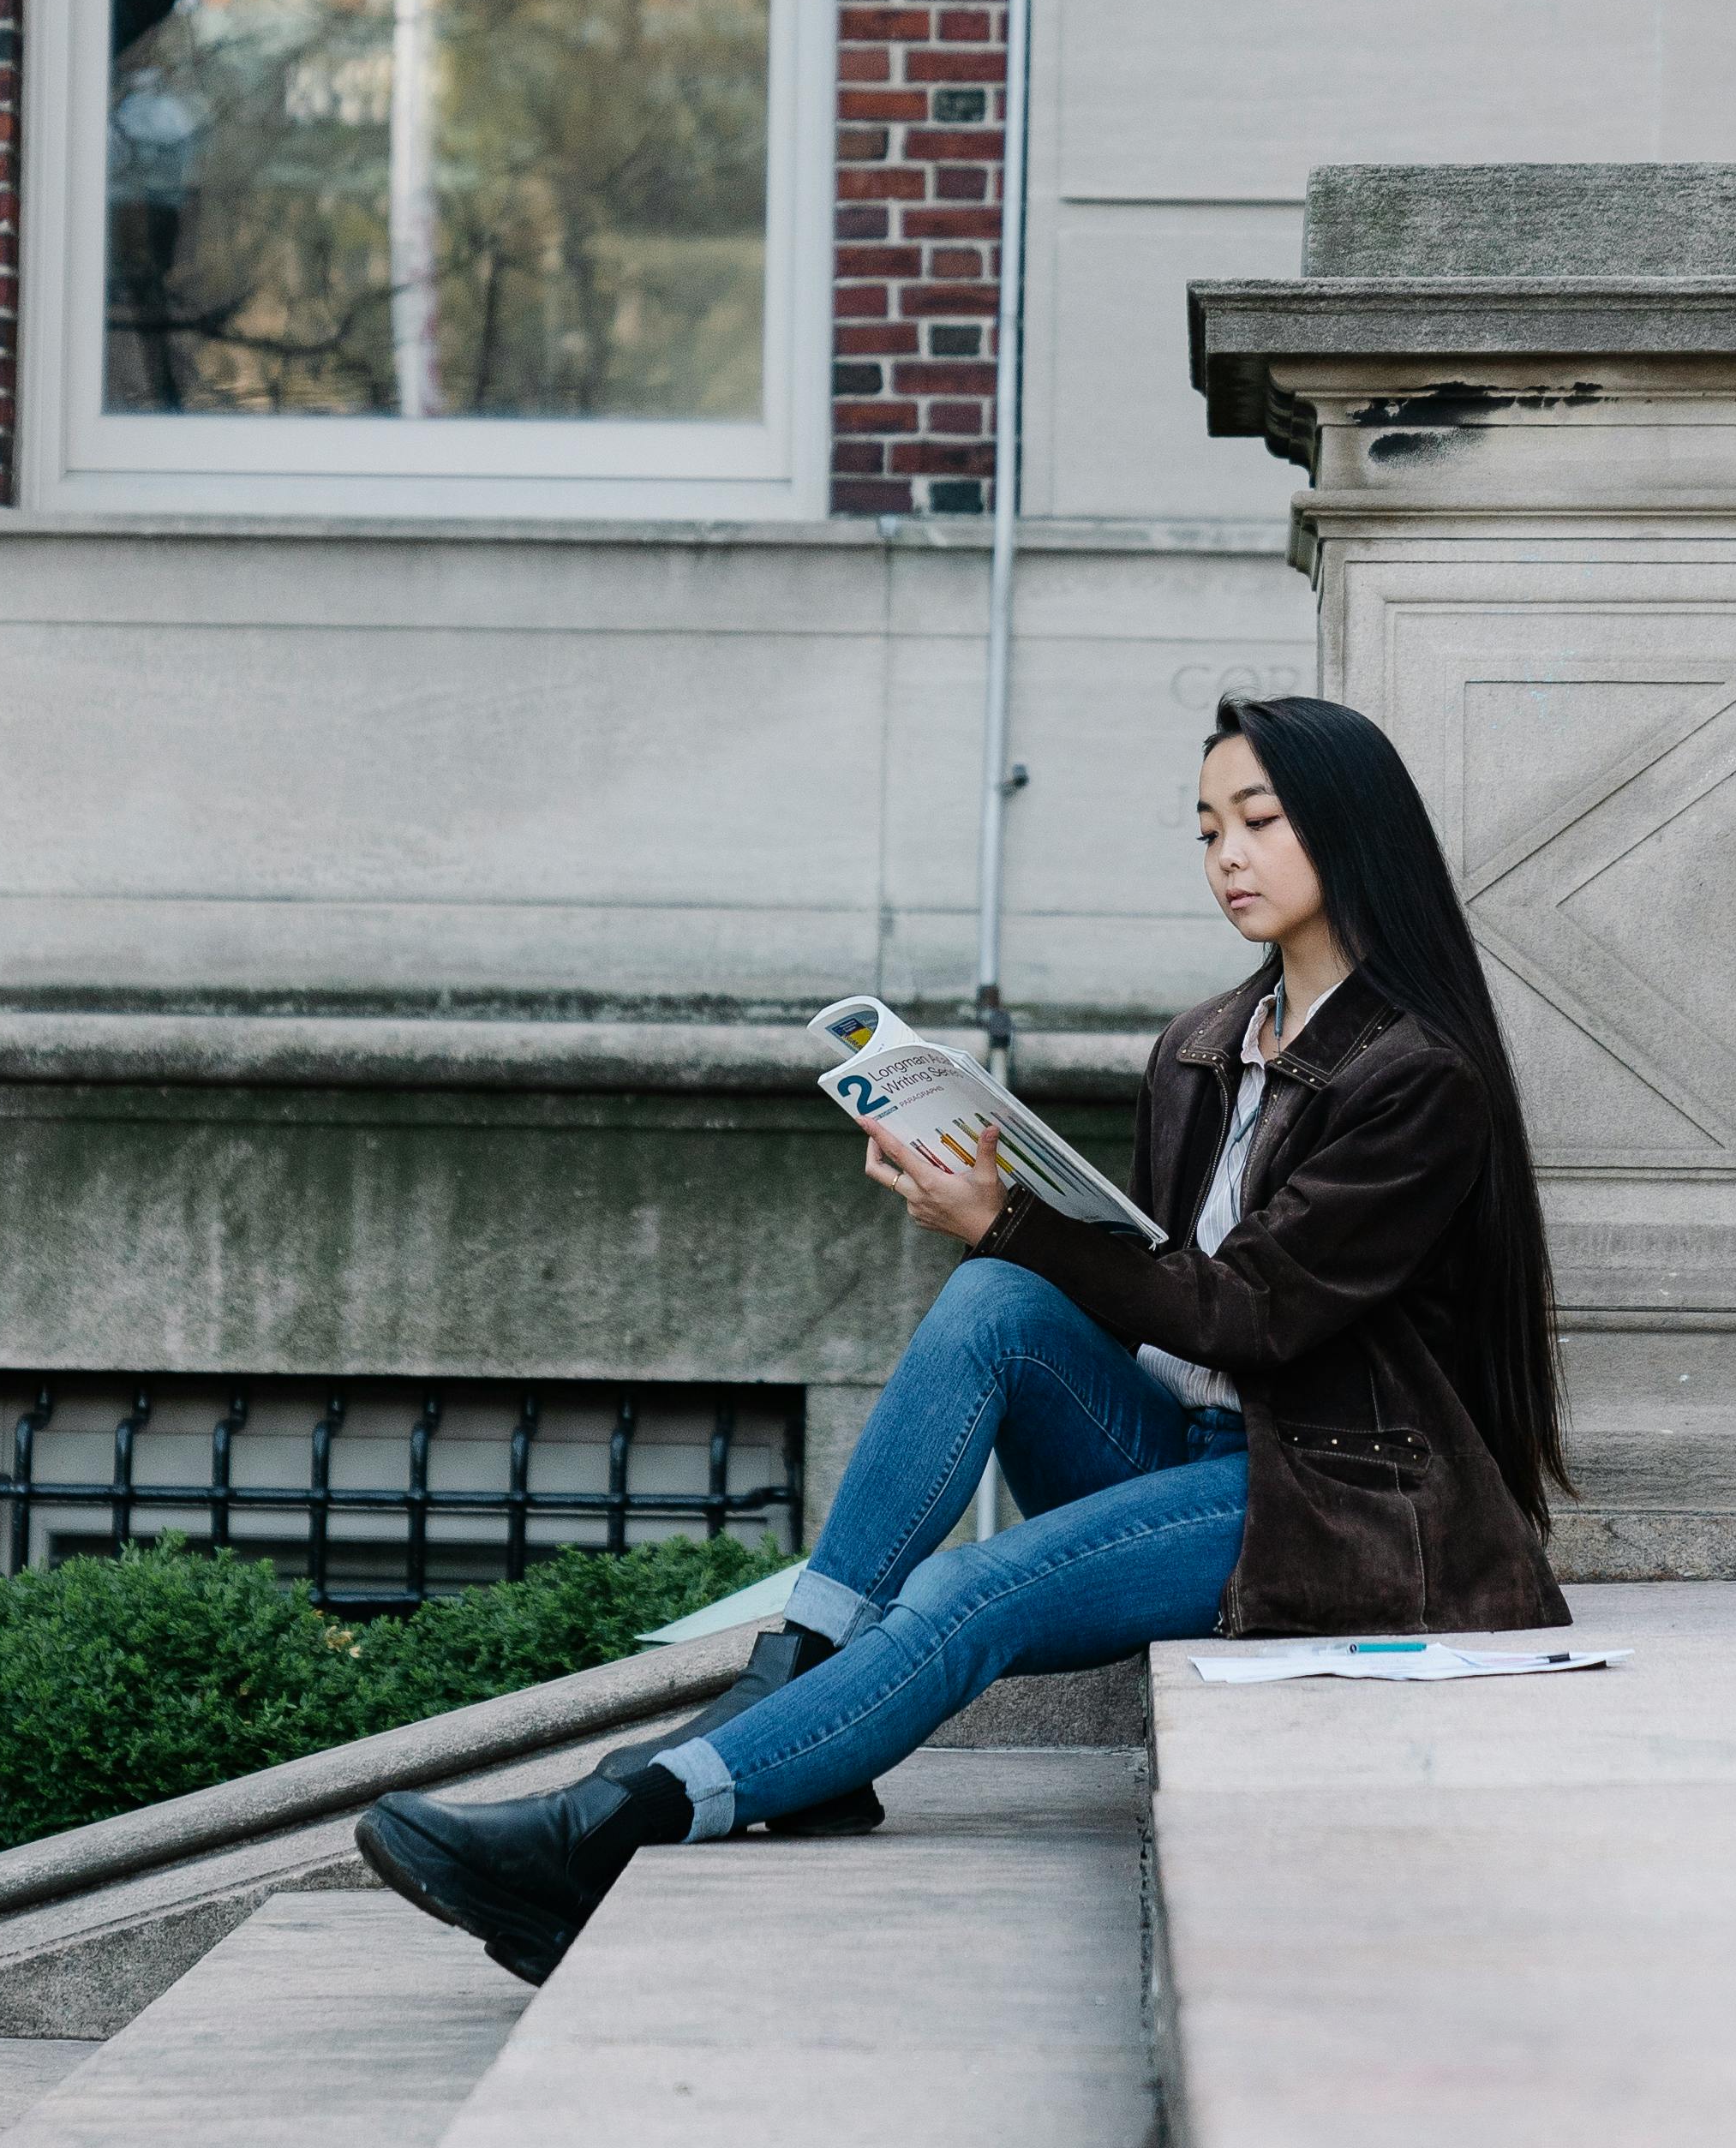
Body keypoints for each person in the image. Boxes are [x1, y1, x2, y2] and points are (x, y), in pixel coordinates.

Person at [356, 688, 1571, 1989]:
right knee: (997, 1306)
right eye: (1206, 829)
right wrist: (1015, 1219)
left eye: (1259, 823)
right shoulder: (1203, 1048)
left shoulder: (1416, 1078)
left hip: (1335, 1496)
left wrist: (1013, 1222)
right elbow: (1156, 1287)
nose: (1227, 857)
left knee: (960, 1590)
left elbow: (1256, 1316)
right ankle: (805, 1671)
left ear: (1350, 830)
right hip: (1193, 1444)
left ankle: (611, 1828)